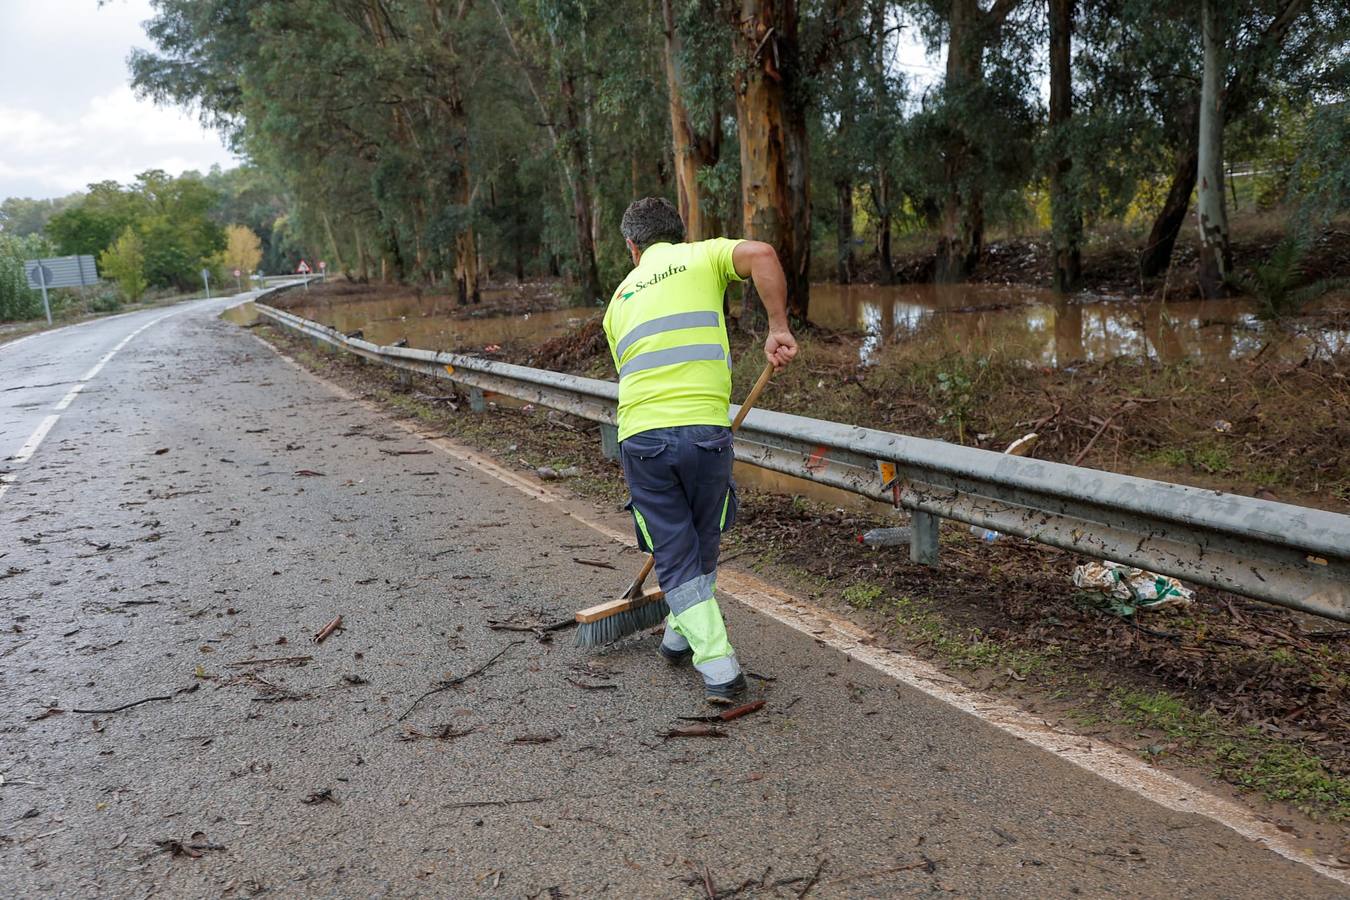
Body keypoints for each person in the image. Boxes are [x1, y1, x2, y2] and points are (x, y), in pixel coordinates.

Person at [602, 197, 797, 704]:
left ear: (632, 247)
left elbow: (631, 373)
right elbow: (763, 255)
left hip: (644, 437)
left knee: (674, 547)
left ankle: (719, 667)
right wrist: (778, 328)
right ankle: (677, 636)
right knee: (702, 537)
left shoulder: (617, 302)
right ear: (679, 233)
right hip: (707, 432)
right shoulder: (703, 256)